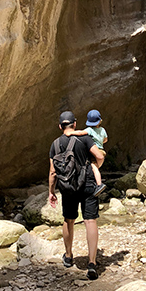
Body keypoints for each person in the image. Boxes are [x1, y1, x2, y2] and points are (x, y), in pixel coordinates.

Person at [49, 110, 104, 280]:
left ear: (60, 126)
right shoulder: (85, 138)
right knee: (90, 220)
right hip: (87, 183)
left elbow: (52, 172)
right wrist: (96, 165)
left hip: (67, 186)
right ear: (75, 124)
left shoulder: (55, 145)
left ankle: (68, 255)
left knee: (68, 219)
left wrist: (51, 191)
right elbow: (99, 155)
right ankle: (92, 262)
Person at [72, 109, 108, 196]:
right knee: (96, 168)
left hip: (94, 151)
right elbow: (106, 140)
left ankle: (99, 184)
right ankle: (97, 181)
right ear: (100, 121)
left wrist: (71, 133)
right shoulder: (103, 130)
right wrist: (100, 141)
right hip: (102, 151)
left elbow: (81, 133)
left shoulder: (90, 130)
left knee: (93, 167)